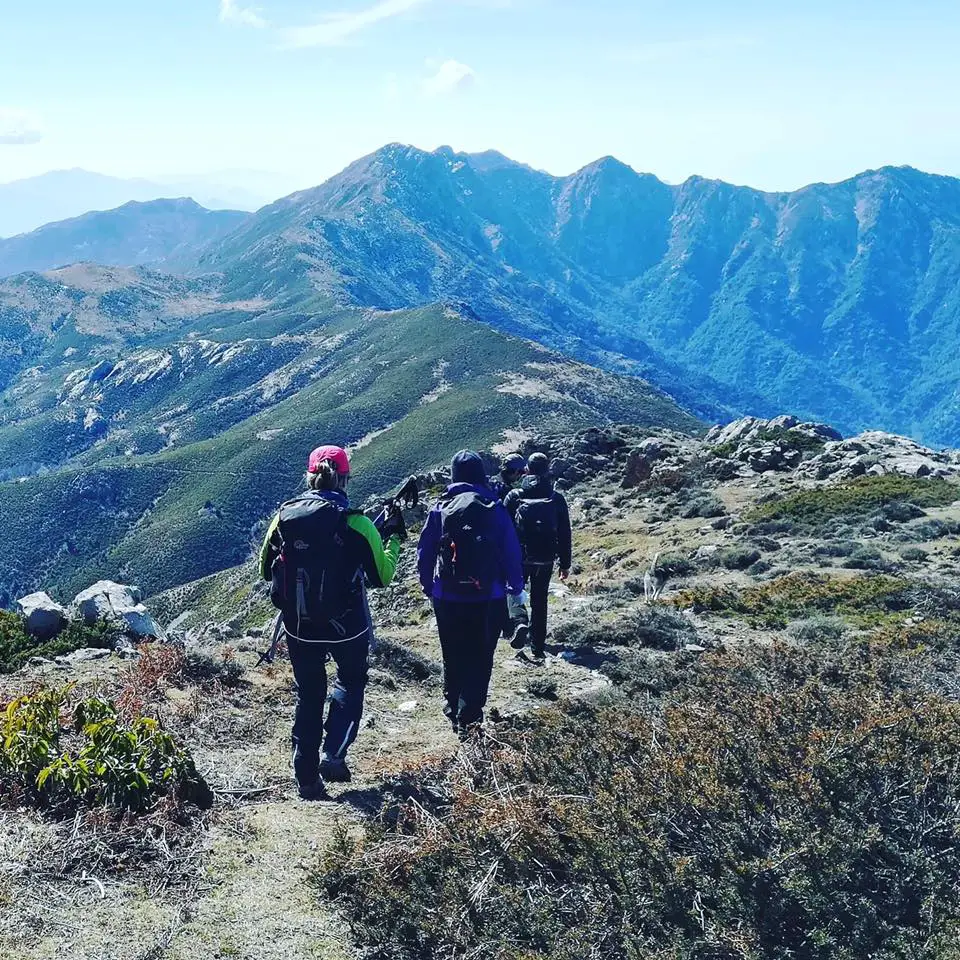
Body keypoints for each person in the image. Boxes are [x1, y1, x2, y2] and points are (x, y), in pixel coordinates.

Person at [259, 444, 405, 800]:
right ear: (344, 478)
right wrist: (395, 541)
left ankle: (306, 776)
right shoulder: (357, 523)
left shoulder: (284, 518)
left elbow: (265, 570)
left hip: (299, 625)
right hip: (347, 625)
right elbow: (382, 576)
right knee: (351, 682)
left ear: (310, 478)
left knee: (309, 693)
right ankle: (334, 755)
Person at [417, 450, 524, 736]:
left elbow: (425, 551)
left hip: (447, 596)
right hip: (488, 595)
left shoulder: (440, 507)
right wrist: (516, 586)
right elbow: (511, 550)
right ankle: (470, 716)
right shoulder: (494, 506)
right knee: (481, 656)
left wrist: (428, 585)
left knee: (453, 653)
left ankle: (452, 708)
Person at [505, 452, 572, 662]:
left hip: (520, 556)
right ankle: (538, 647)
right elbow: (564, 532)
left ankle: (520, 622)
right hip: (545, 557)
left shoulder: (515, 496)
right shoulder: (556, 498)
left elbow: (503, 528)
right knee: (540, 600)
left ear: (527, 470)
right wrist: (565, 563)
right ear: (547, 471)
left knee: (514, 591)